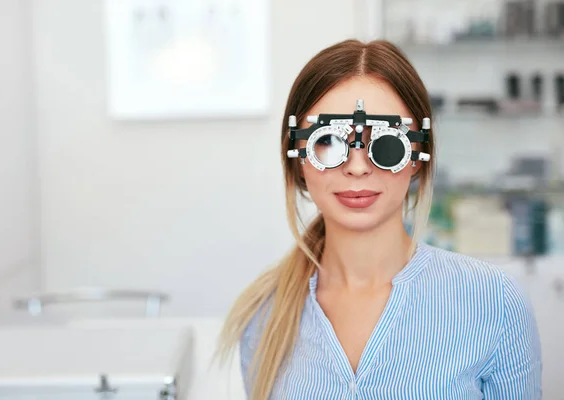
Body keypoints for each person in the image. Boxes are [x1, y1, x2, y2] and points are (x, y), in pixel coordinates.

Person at [215, 39, 542, 399]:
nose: (357, 167)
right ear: (298, 158)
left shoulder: (494, 304)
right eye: (328, 141)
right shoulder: (264, 315)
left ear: (418, 155)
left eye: (387, 144)